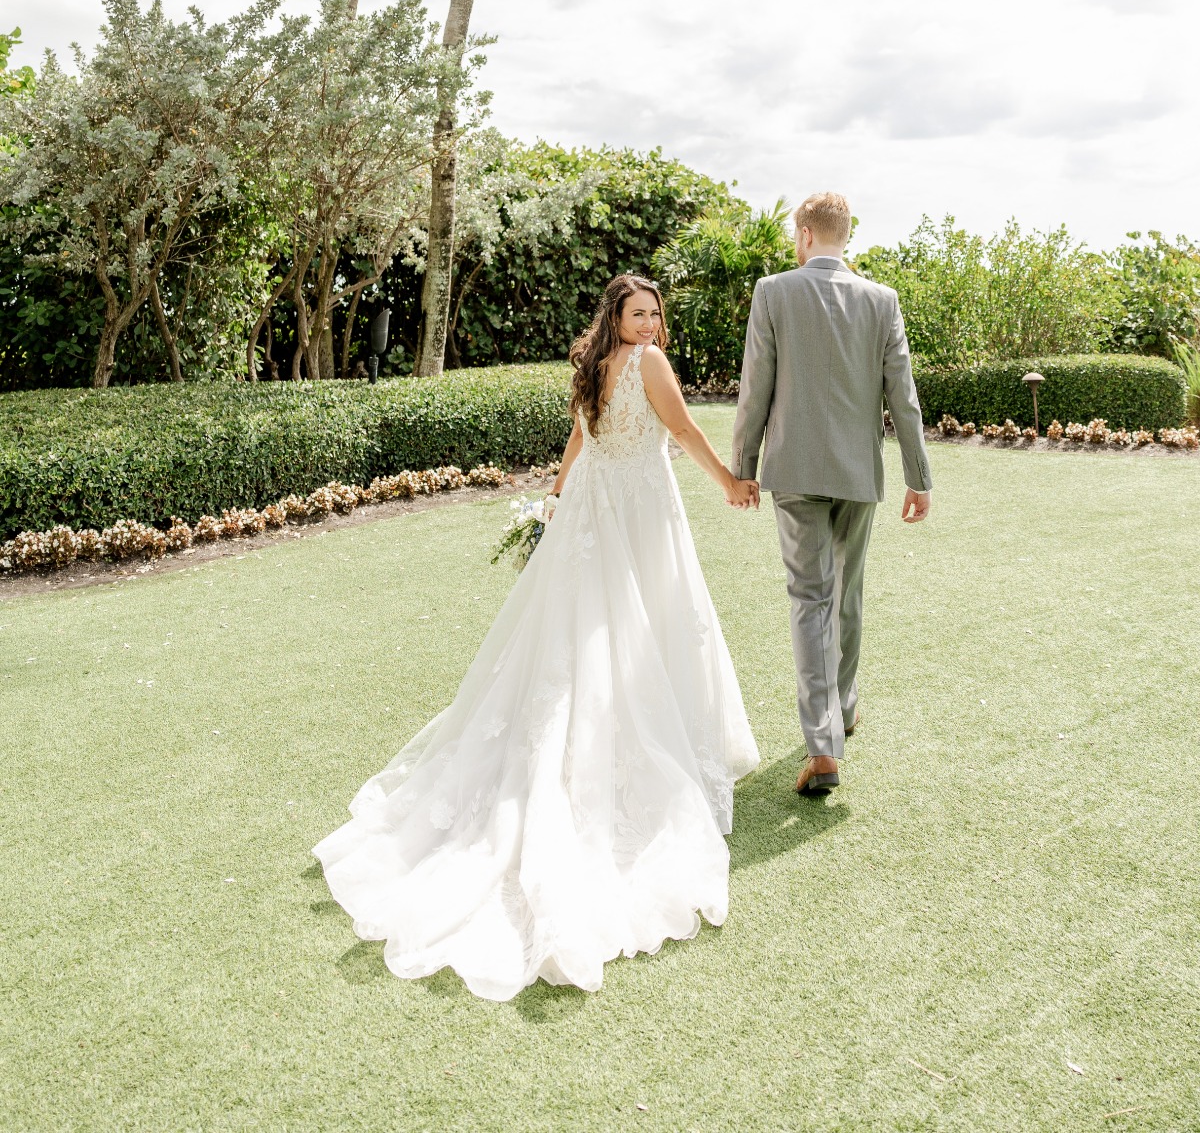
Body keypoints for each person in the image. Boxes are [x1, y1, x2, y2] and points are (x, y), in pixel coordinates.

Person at [314, 274, 760, 1000]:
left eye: (654, 314)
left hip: (596, 507)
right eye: (636, 313)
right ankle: (652, 737)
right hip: (639, 509)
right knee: (643, 623)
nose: (648, 325)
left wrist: (557, 496)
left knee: (595, 631)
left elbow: (578, 438)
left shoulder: (593, 362)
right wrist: (729, 481)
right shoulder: (647, 364)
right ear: (615, 315)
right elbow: (680, 431)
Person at [731, 192, 932, 797]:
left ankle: (823, 747)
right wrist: (918, 476)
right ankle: (841, 711)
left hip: (793, 470)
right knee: (846, 596)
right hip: (856, 475)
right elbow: (904, 395)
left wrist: (742, 465)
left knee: (809, 599)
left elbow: (754, 385)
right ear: (845, 235)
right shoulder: (882, 300)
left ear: (803, 235)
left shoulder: (773, 291)